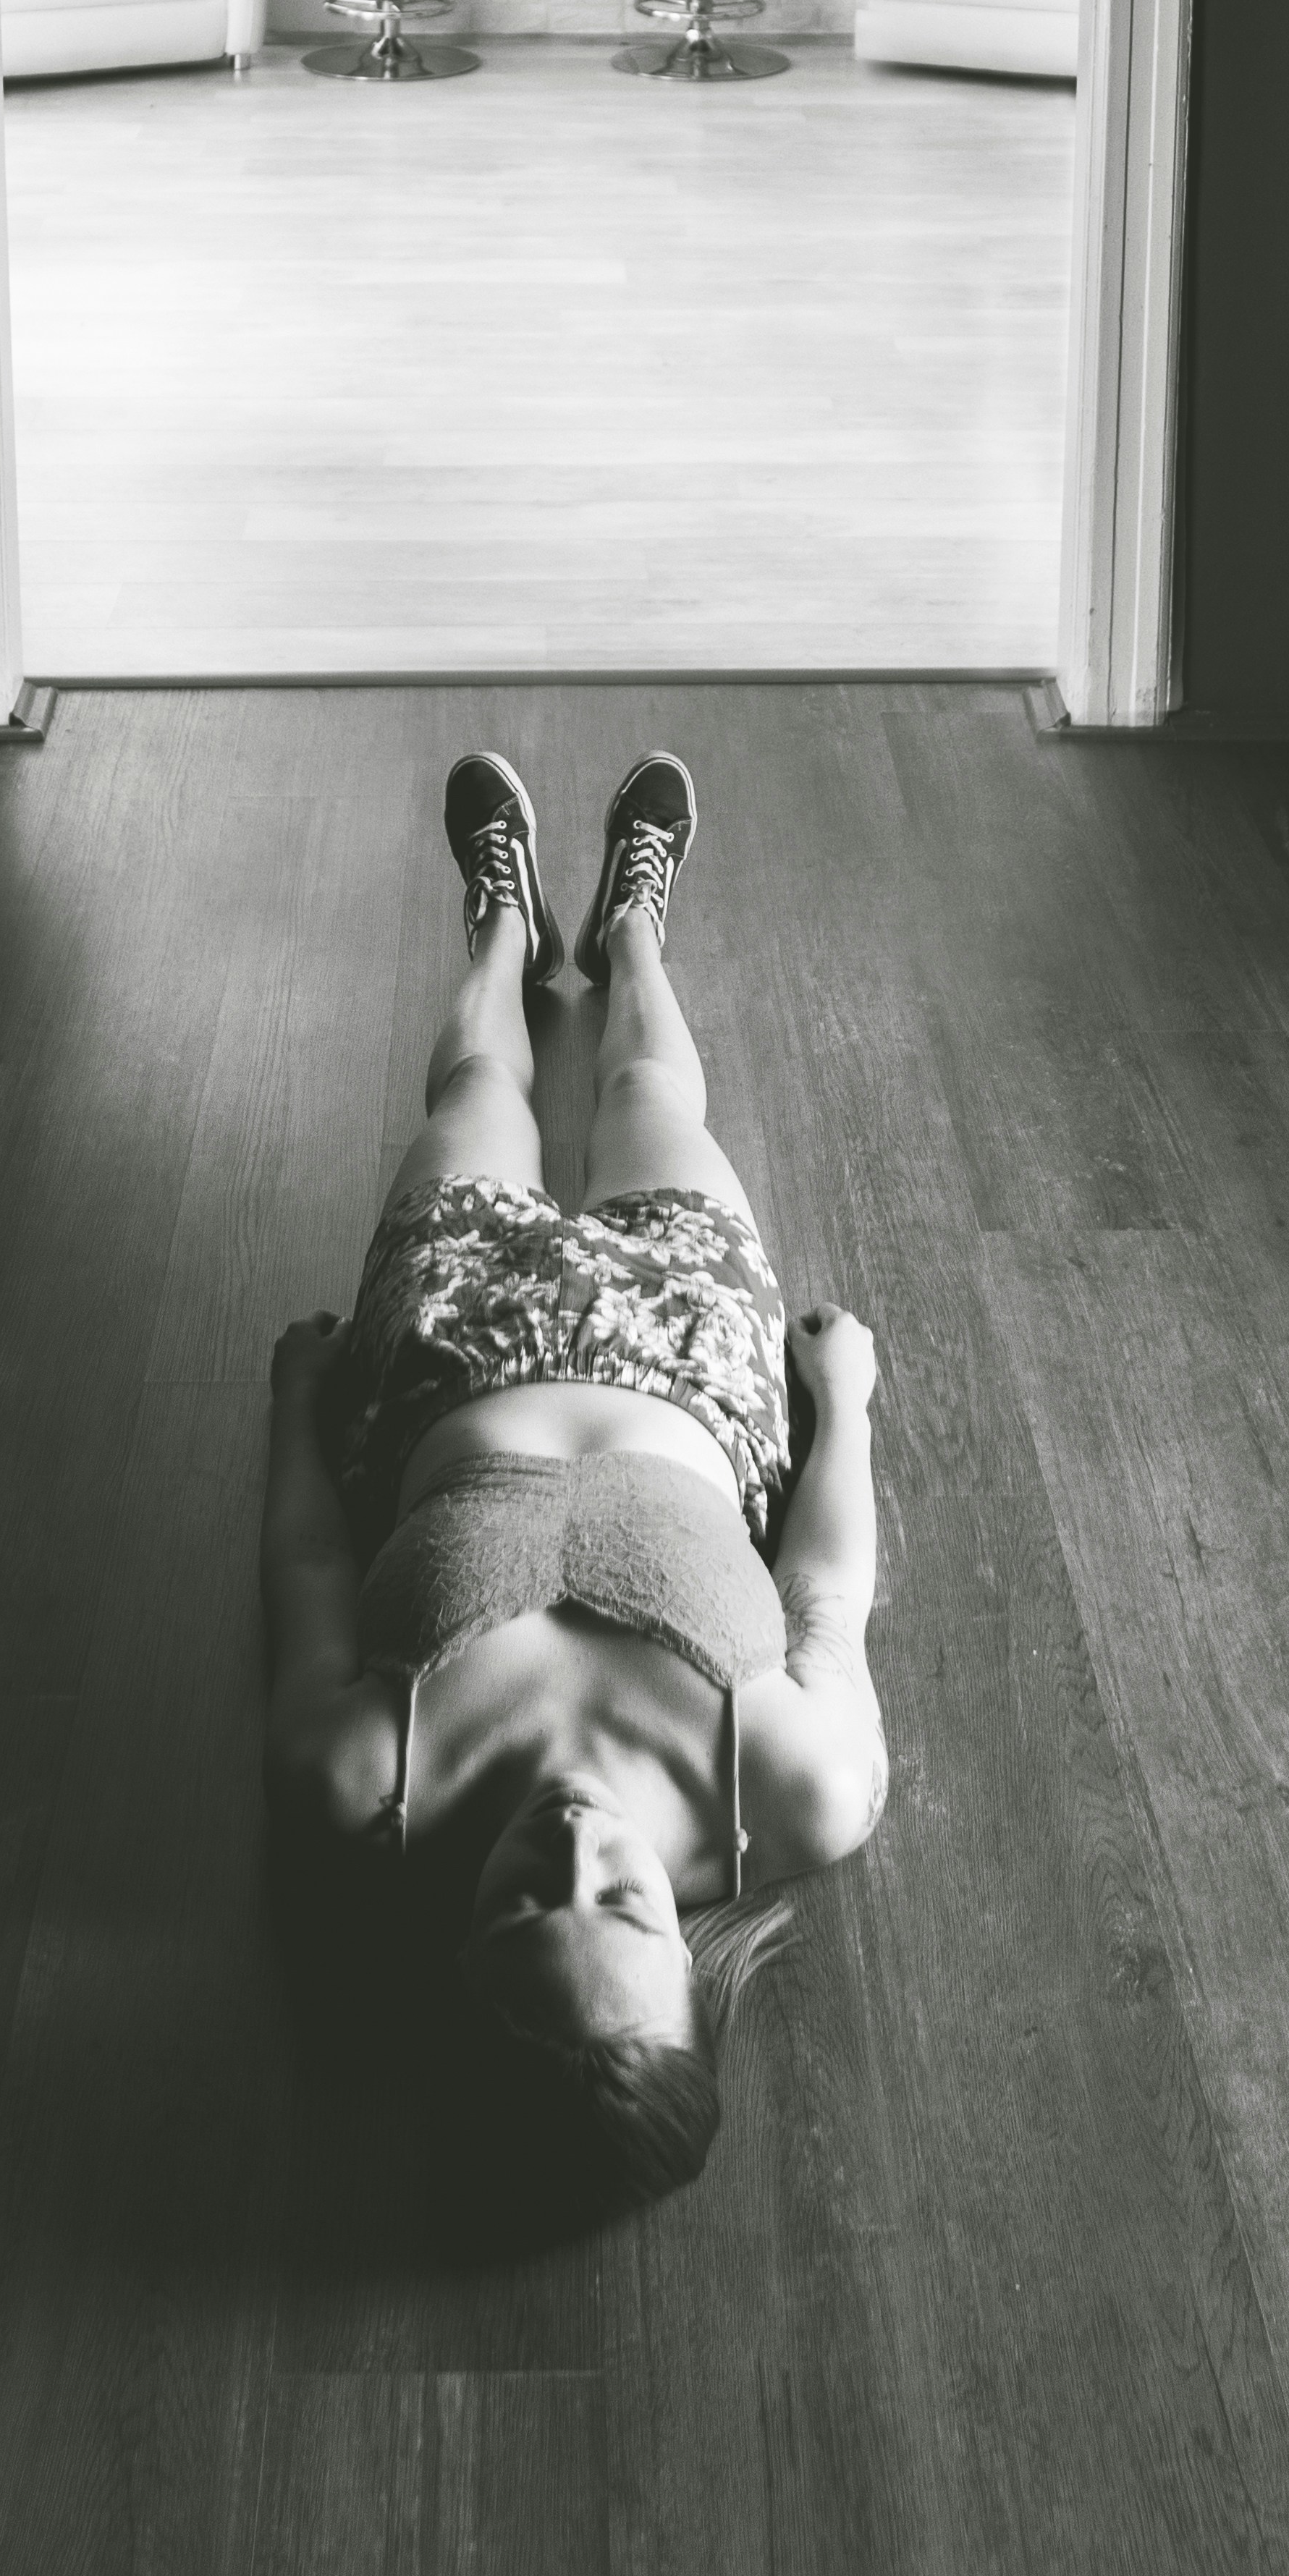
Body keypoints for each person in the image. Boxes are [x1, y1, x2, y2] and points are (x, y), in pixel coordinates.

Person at [263, 748, 886, 2198]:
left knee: (482, 1078)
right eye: (625, 1906)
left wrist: (294, 1410)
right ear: (696, 1966)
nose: (573, 1851)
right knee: (648, 1082)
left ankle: (500, 923)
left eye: (521, 1908)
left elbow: (308, 1569)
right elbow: (825, 1595)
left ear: (456, 1963)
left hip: (446, 1346)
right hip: (691, 1353)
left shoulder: (363, 1781)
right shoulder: (797, 1791)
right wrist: (846, 1407)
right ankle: (629, 929)